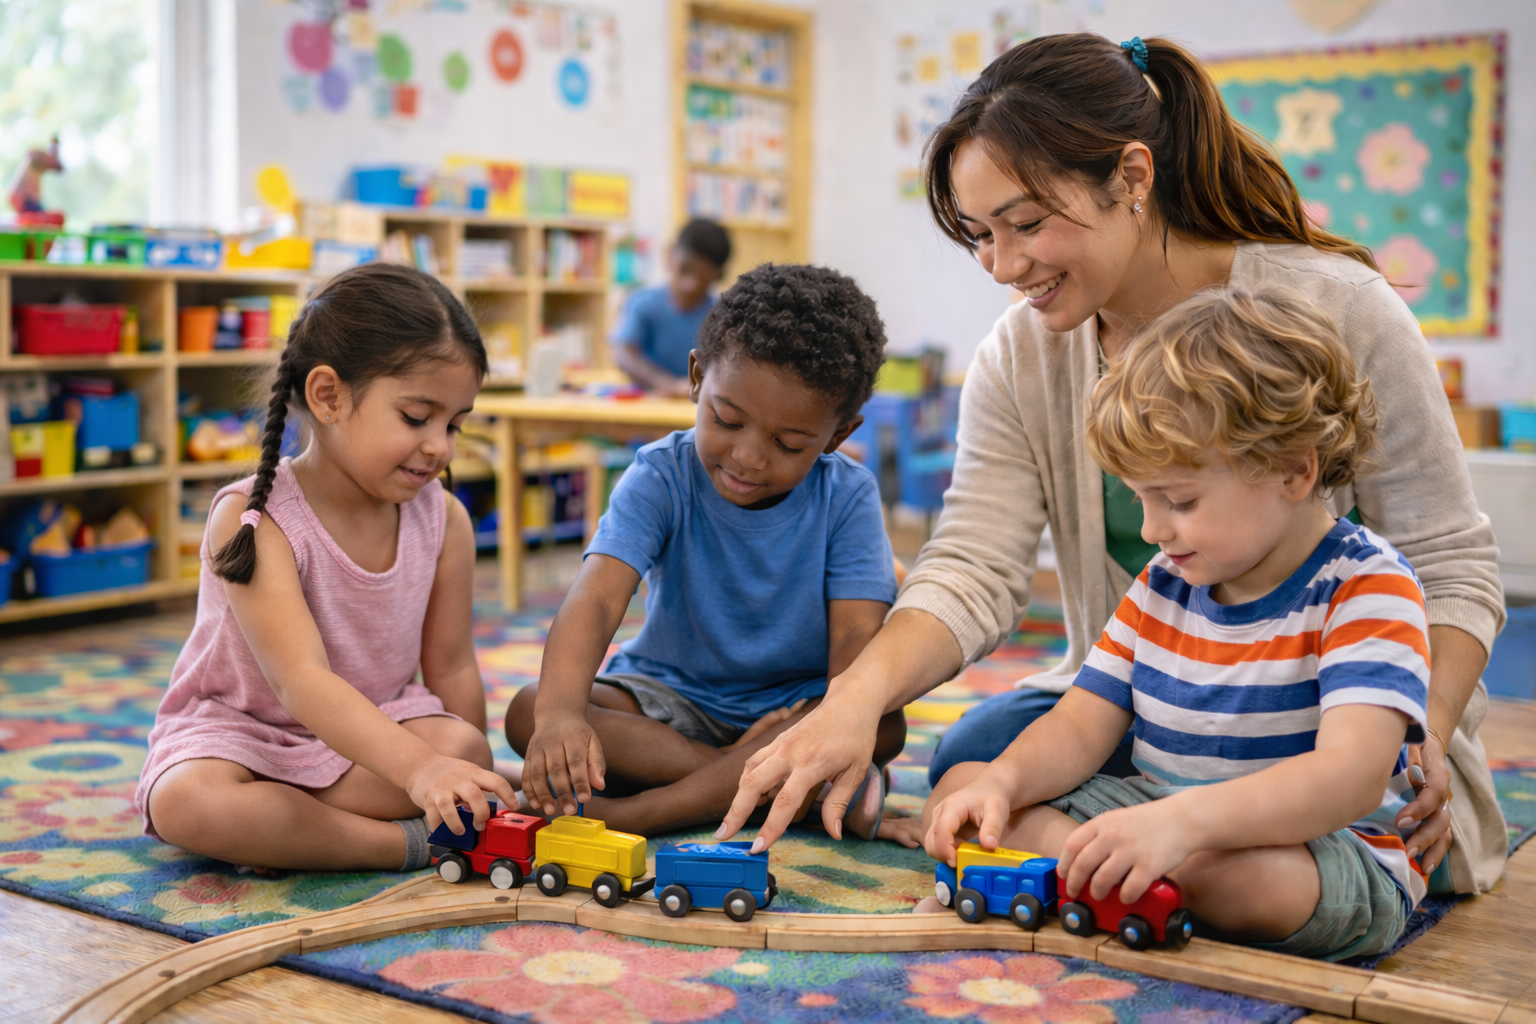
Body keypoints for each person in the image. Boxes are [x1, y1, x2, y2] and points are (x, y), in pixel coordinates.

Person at [719, 32, 1507, 903]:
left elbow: (1451, 567)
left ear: (1132, 178)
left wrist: (1416, 731)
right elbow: (974, 564)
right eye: (980, 236)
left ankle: (1196, 855)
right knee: (973, 763)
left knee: (1304, 820)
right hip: (1150, 704)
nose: (1004, 266)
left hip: (1322, 720)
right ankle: (1157, 857)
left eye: (1025, 223)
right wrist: (854, 700)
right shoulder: (1021, 356)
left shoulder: (1338, 309)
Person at [926, 285, 1428, 960]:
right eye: (1141, 499)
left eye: (1179, 500)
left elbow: (1352, 775)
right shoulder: (1164, 581)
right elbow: (1080, 724)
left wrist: (1184, 823)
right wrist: (1003, 783)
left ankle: (1099, 877)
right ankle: (1123, 879)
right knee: (965, 791)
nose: (1152, 529)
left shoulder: (1367, 586)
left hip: (1311, 848)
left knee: (1251, 880)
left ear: (1293, 471)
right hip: (1151, 814)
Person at [136, 263, 515, 872]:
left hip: (378, 733)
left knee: (464, 743)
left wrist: (465, 777)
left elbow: (451, 665)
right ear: (328, 396)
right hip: (245, 735)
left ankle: (296, 832)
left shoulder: (445, 521)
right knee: (187, 801)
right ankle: (404, 845)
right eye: (417, 418)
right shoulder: (253, 518)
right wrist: (420, 771)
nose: (440, 446)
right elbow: (301, 681)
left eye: (455, 424)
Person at [508, 263, 908, 838]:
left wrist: (829, 726)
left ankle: (645, 810)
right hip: (668, 697)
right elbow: (596, 598)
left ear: (838, 435)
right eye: (726, 419)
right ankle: (759, 785)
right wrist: (561, 717)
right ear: (696, 377)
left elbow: (854, 641)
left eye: (788, 444)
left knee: (883, 721)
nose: (748, 456)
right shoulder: (660, 475)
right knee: (532, 709)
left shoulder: (847, 495)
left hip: (791, 709)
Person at [611, 218, 732, 397]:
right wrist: (668, 385)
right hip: (650, 406)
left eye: (703, 276)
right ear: (669, 255)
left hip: (702, 407)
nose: (691, 285)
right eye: (685, 269)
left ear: (718, 275)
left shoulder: (723, 314)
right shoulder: (642, 303)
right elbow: (623, 353)